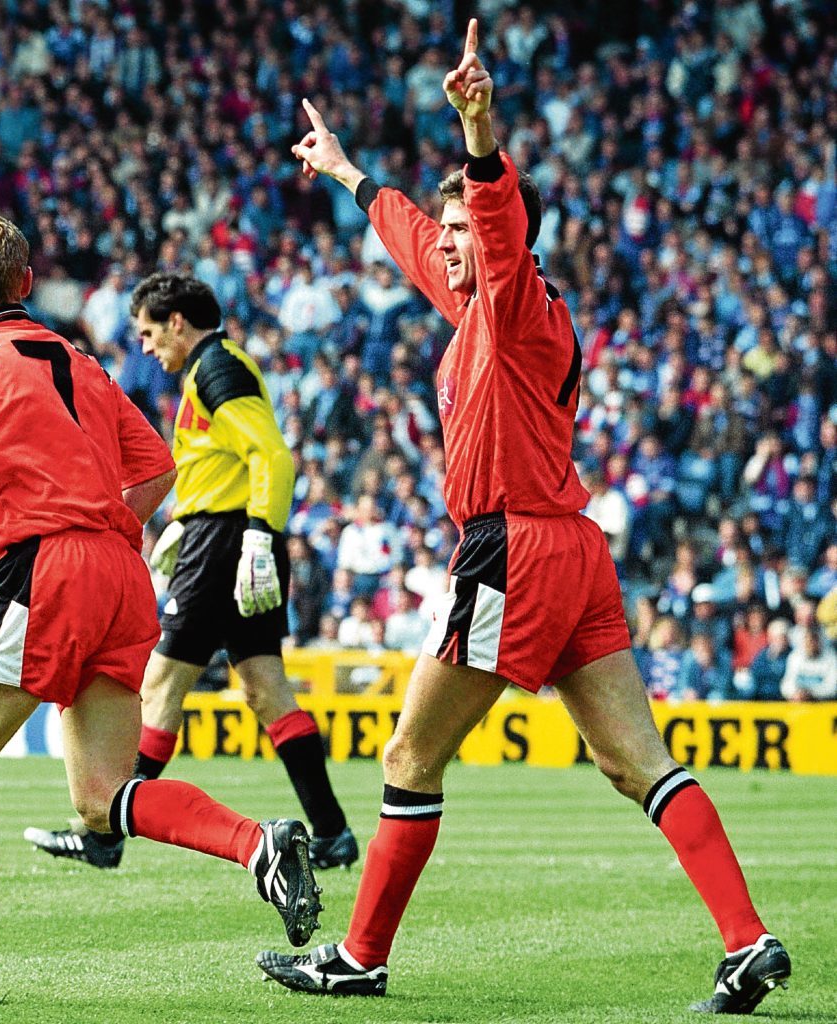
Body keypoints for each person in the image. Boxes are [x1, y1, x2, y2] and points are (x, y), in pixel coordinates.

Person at [256, 22, 790, 1015]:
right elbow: (423, 239)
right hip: (573, 551)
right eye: (451, 232)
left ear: (500, 243)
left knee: (410, 754)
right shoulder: (477, 312)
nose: (451, 240)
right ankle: (746, 940)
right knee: (636, 759)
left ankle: (362, 954)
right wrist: (348, 173)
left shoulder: (514, 299)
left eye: (465, 231)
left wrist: (479, 134)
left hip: (514, 550)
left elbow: (489, 221)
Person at [0, 212, 322, 1005]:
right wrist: (114, 529)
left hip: (46, 568)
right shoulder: (83, 365)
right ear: (27, 283)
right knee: (101, 797)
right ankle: (256, 843)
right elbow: (156, 465)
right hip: (121, 576)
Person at [24, 272, 357, 871]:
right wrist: (187, 516)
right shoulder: (218, 367)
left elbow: (272, 458)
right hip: (222, 533)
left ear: (178, 322)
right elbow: (229, 459)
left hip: (227, 542)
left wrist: (254, 533)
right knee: (264, 689)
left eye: (151, 334)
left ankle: (105, 833)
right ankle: (332, 832)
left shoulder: (215, 369)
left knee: (161, 688)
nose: (147, 347)